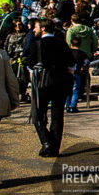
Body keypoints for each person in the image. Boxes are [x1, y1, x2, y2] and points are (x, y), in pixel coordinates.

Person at [27, 19, 76, 156]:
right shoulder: (62, 43)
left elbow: (30, 64)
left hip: (42, 83)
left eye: (35, 28)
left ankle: (46, 141)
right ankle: (54, 146)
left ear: (42, 29)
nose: (33, 30)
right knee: (57, 115)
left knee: (38, 114)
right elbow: (72, 64)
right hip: (60, 82)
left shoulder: (36, 44)